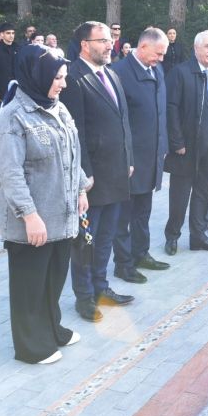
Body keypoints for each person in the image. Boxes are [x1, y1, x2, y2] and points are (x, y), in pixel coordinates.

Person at [0, 45, 87, 365]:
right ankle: (31, 346)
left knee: (53, 278)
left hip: (61, 213)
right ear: (38, 75)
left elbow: (71, 151)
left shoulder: (58, 107)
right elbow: (11, 173)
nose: (63, 84)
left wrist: (81, 188)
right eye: (58, 77)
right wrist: (29, 215)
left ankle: (52, 328)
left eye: (64, 77)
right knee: (30, 284)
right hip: (32, 219)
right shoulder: (12, 118)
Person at [60, 21, 134, 322]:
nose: (109, 45)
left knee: (106, 238)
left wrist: (128, 157)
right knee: (86, 242)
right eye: (102, 40)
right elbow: (75, 133)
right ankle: (85, 297)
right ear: (84, 45)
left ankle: (102, 287)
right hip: (91, 179)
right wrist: (83, 176)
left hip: (116, 173)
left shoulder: (112, 74)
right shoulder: (74, 79)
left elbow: (122, 121)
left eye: (110, 40)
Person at [164, 30, 208, 255]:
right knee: (180, 196)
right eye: (207, 47)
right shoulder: (181, 73)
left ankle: (198, 236)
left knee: (204, 193)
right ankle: (172, 236)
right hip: (186, 148)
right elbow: (171, 108)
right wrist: (177, 142)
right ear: (196, 49)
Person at [112, 28, 170, 284]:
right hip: (130, 160)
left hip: (152, 154)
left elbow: (160, 112)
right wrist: (126, 158)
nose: (161, 58)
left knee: (143, 210)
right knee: (123, 216)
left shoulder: (155, 69)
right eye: (158, 53)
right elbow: (117, 121)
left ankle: (141, 253)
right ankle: (123, 264)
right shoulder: (120, 74)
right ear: (143, 47)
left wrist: (164, 144)